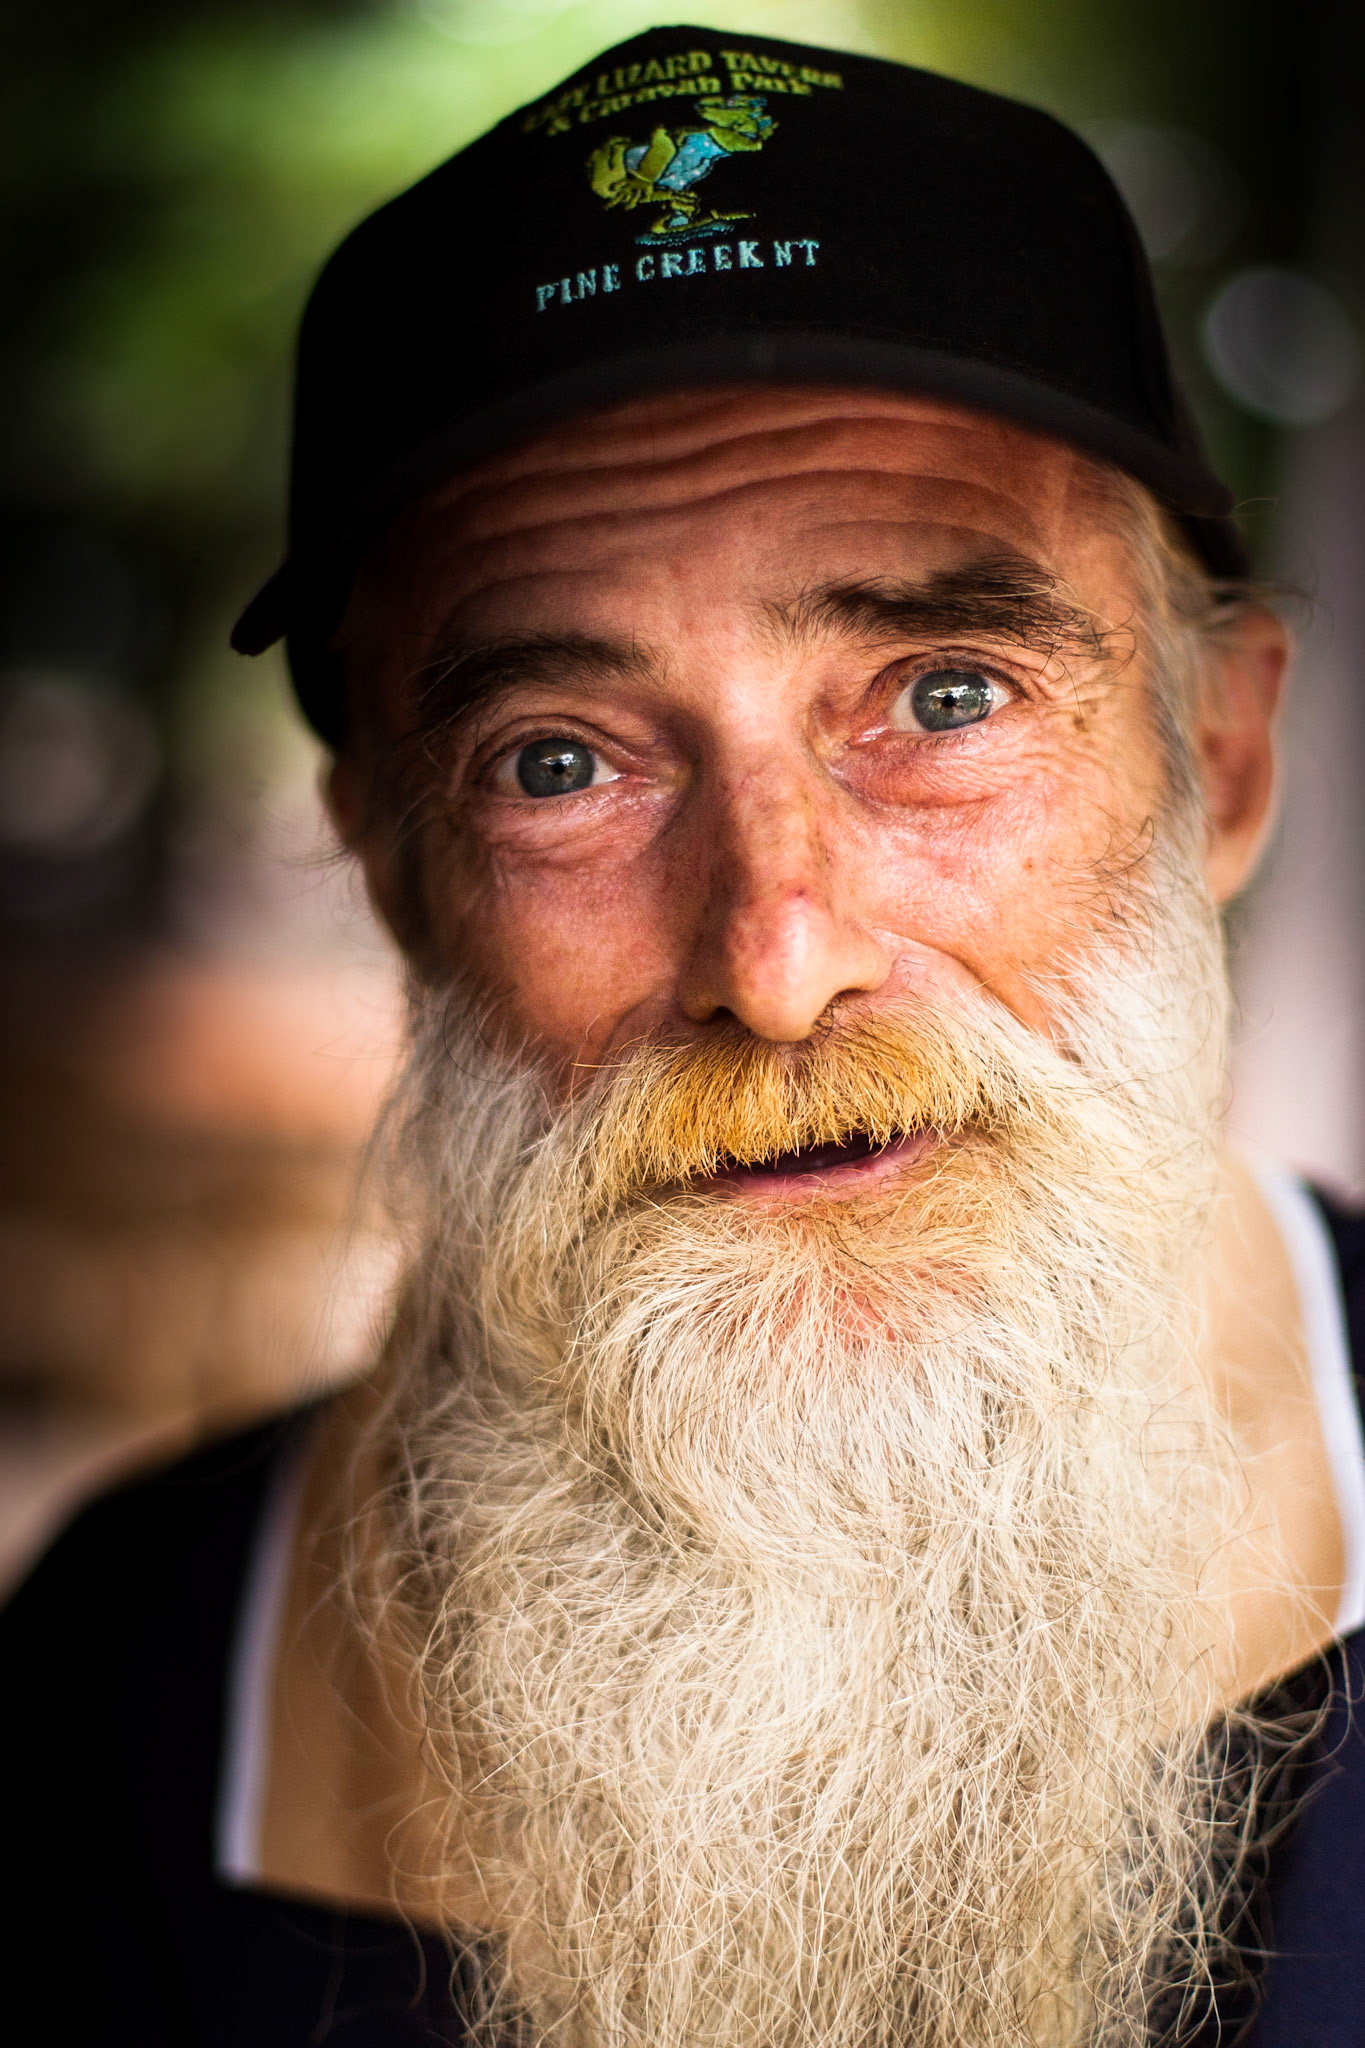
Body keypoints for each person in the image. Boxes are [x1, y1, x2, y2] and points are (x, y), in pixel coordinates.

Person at [4, 26, 1363, 2048]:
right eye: (557, 762)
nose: (775, 954)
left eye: (943, 697)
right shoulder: (116, 1684)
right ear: (387, 870)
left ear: (1218, 760)